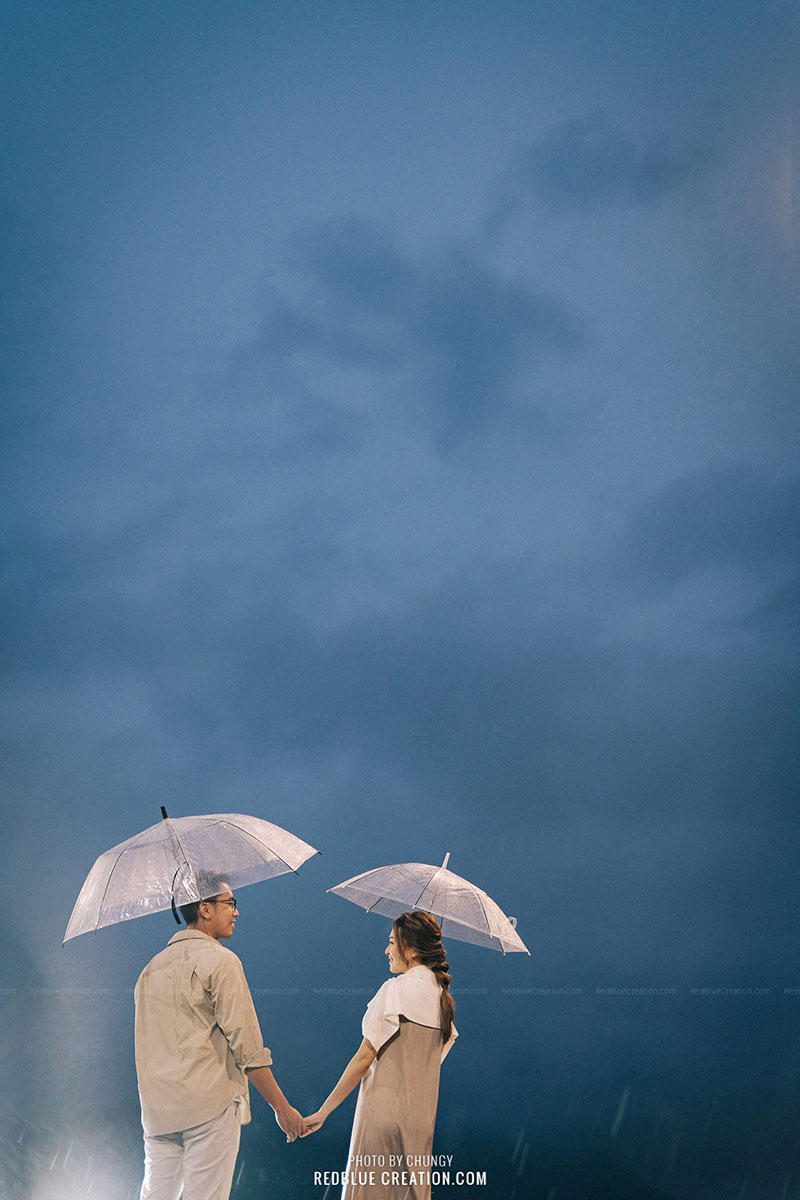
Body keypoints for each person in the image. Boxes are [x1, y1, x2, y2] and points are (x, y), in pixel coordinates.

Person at [133, 872, 305, 1200]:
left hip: (157, 1116)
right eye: (230, 903)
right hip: (208, 1108)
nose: (236, 911)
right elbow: (248, 1048)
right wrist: (282, 1108)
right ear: (205, 909)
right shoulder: (221, 962)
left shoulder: (149, 970)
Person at [303, 911, 457, 1200]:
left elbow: (364, 1057)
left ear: (411, 949)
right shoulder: (443, 1000)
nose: (387, 950)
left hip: (382, 1116)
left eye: (392, 942)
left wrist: (324, 1111)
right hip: (420, 1125)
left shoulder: (395, 991)